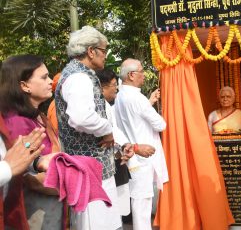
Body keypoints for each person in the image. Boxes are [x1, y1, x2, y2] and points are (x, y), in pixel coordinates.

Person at [54, 26, 126, 229]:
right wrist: (106, 129)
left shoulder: (80, 74)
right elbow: (81, 118)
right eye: (104, 50)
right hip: (89, 170)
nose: (106, 55)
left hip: (93, 168)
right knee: (97, 223)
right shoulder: (78, 77)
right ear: (91, 51)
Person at [0, 54, 63, 229]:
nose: (50, 81)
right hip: (35, 207)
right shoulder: (17, 122)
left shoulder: (38, 116)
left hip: (50, 202)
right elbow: (25, 172)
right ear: (24, 86)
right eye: (44, 77)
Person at [115, 58, 168, 230]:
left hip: (131, 154)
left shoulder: (120, 96)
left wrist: (149, 102)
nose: (144, 75)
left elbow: (134, 117)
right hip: (142, 155)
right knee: (142, 204)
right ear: (131, 75)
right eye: (141, 71)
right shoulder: (137, 99)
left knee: (138, 201)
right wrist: (151, 106)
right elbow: (161, 124)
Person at [96, 68, 155, 218]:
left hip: (118, 162)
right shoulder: (98, 107)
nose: (117, 88)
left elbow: (116, 132)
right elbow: (110, 134)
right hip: (106, 166)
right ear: (102, 87)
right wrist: (135, 147)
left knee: (117, 213)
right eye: (114, 85)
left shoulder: (108, 105)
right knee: (108, 214)